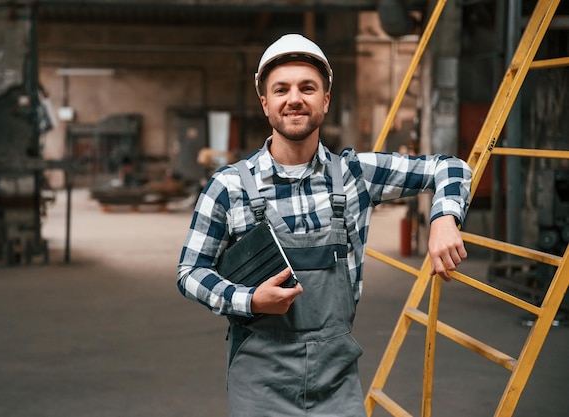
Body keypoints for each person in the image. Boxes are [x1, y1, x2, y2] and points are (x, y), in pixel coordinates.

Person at [177, 33, 471, 417]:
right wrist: (246, 300)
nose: (294, 98)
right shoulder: (229, 186)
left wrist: (444, 217)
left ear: (325, 100)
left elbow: (450, 166)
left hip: (336, 378)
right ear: (266, 104)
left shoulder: (356, 175)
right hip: (259, 378)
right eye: (281, 89)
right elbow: (190, 271)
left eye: (308, 88)